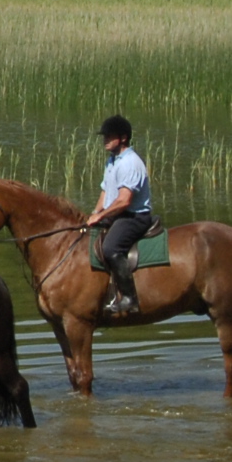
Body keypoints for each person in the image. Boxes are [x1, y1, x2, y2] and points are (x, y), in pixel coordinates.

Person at [81, 115, 154, 320]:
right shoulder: (112, 161)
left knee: (111, 248)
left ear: (123, 138)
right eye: (104, 136)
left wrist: (101, 216)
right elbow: (105, 192)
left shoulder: (130, 163)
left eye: (109, 136)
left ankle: (130, 298)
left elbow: (124, 201)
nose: (105, 139)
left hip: (134, 217)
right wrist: (94, 214)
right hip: (117, 215)